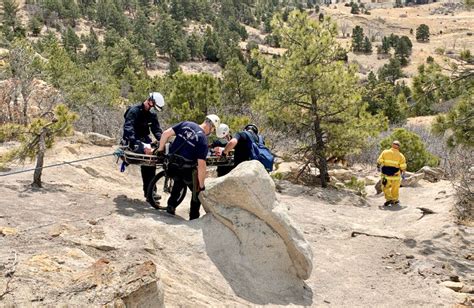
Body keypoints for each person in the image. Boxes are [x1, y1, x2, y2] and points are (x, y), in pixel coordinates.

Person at [157, 114, 220, 220]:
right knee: (197, 191)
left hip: (171, 166)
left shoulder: (186, 124)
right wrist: (201, 184)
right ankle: (194, 217)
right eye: (213, 130)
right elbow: (201, 165)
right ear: (211, 126)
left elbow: (165, 134)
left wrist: (160, 150)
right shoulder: (202, 140)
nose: (211, 132)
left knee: (179, 181)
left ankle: (171, 206)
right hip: (185, 170)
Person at [122, 92, 165, 201]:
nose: (153, 109)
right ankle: (150, 192)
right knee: (148, 156)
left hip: (144, 139)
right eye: (153, 106)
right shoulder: (134, 111)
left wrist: (162, 140)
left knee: (151, 161)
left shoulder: (152, 115)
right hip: (132, 139)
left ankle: (150, 192)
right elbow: (128, 128)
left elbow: (156, 130)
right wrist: (135, 142)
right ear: (150, 101)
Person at [377, 140, 407, 206]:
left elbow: (379, 161)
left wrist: (378, 167)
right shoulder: (401, 156)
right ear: (399, 147)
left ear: (392, 145)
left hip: (385, 174)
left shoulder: (385, 152)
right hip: (395, 175)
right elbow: (403, 166)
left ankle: (389, 199)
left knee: (385, 186)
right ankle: (395, 200)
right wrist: (404, 175)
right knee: (395, 188)